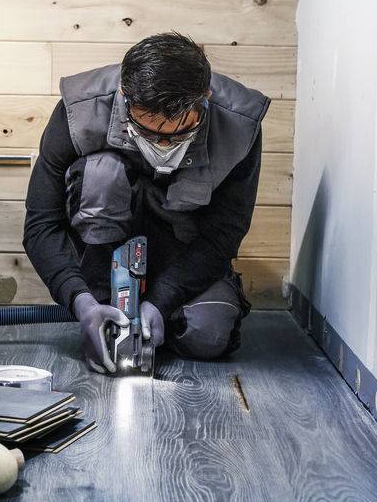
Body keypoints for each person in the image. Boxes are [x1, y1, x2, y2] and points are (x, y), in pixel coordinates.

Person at [23, 32, 270, 373]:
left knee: (209, 334)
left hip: (182, 255)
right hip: (101, 257)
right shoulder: (79, 109)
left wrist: (161, 300)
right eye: (149, 131)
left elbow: (224, 233)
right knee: (103, 174)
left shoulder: (241, 123)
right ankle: (106, 307)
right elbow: (40, 225)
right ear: (124, 96)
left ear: (205, 99)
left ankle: (155, 316)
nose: (162, 144)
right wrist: (80, 301)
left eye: (178, 132)